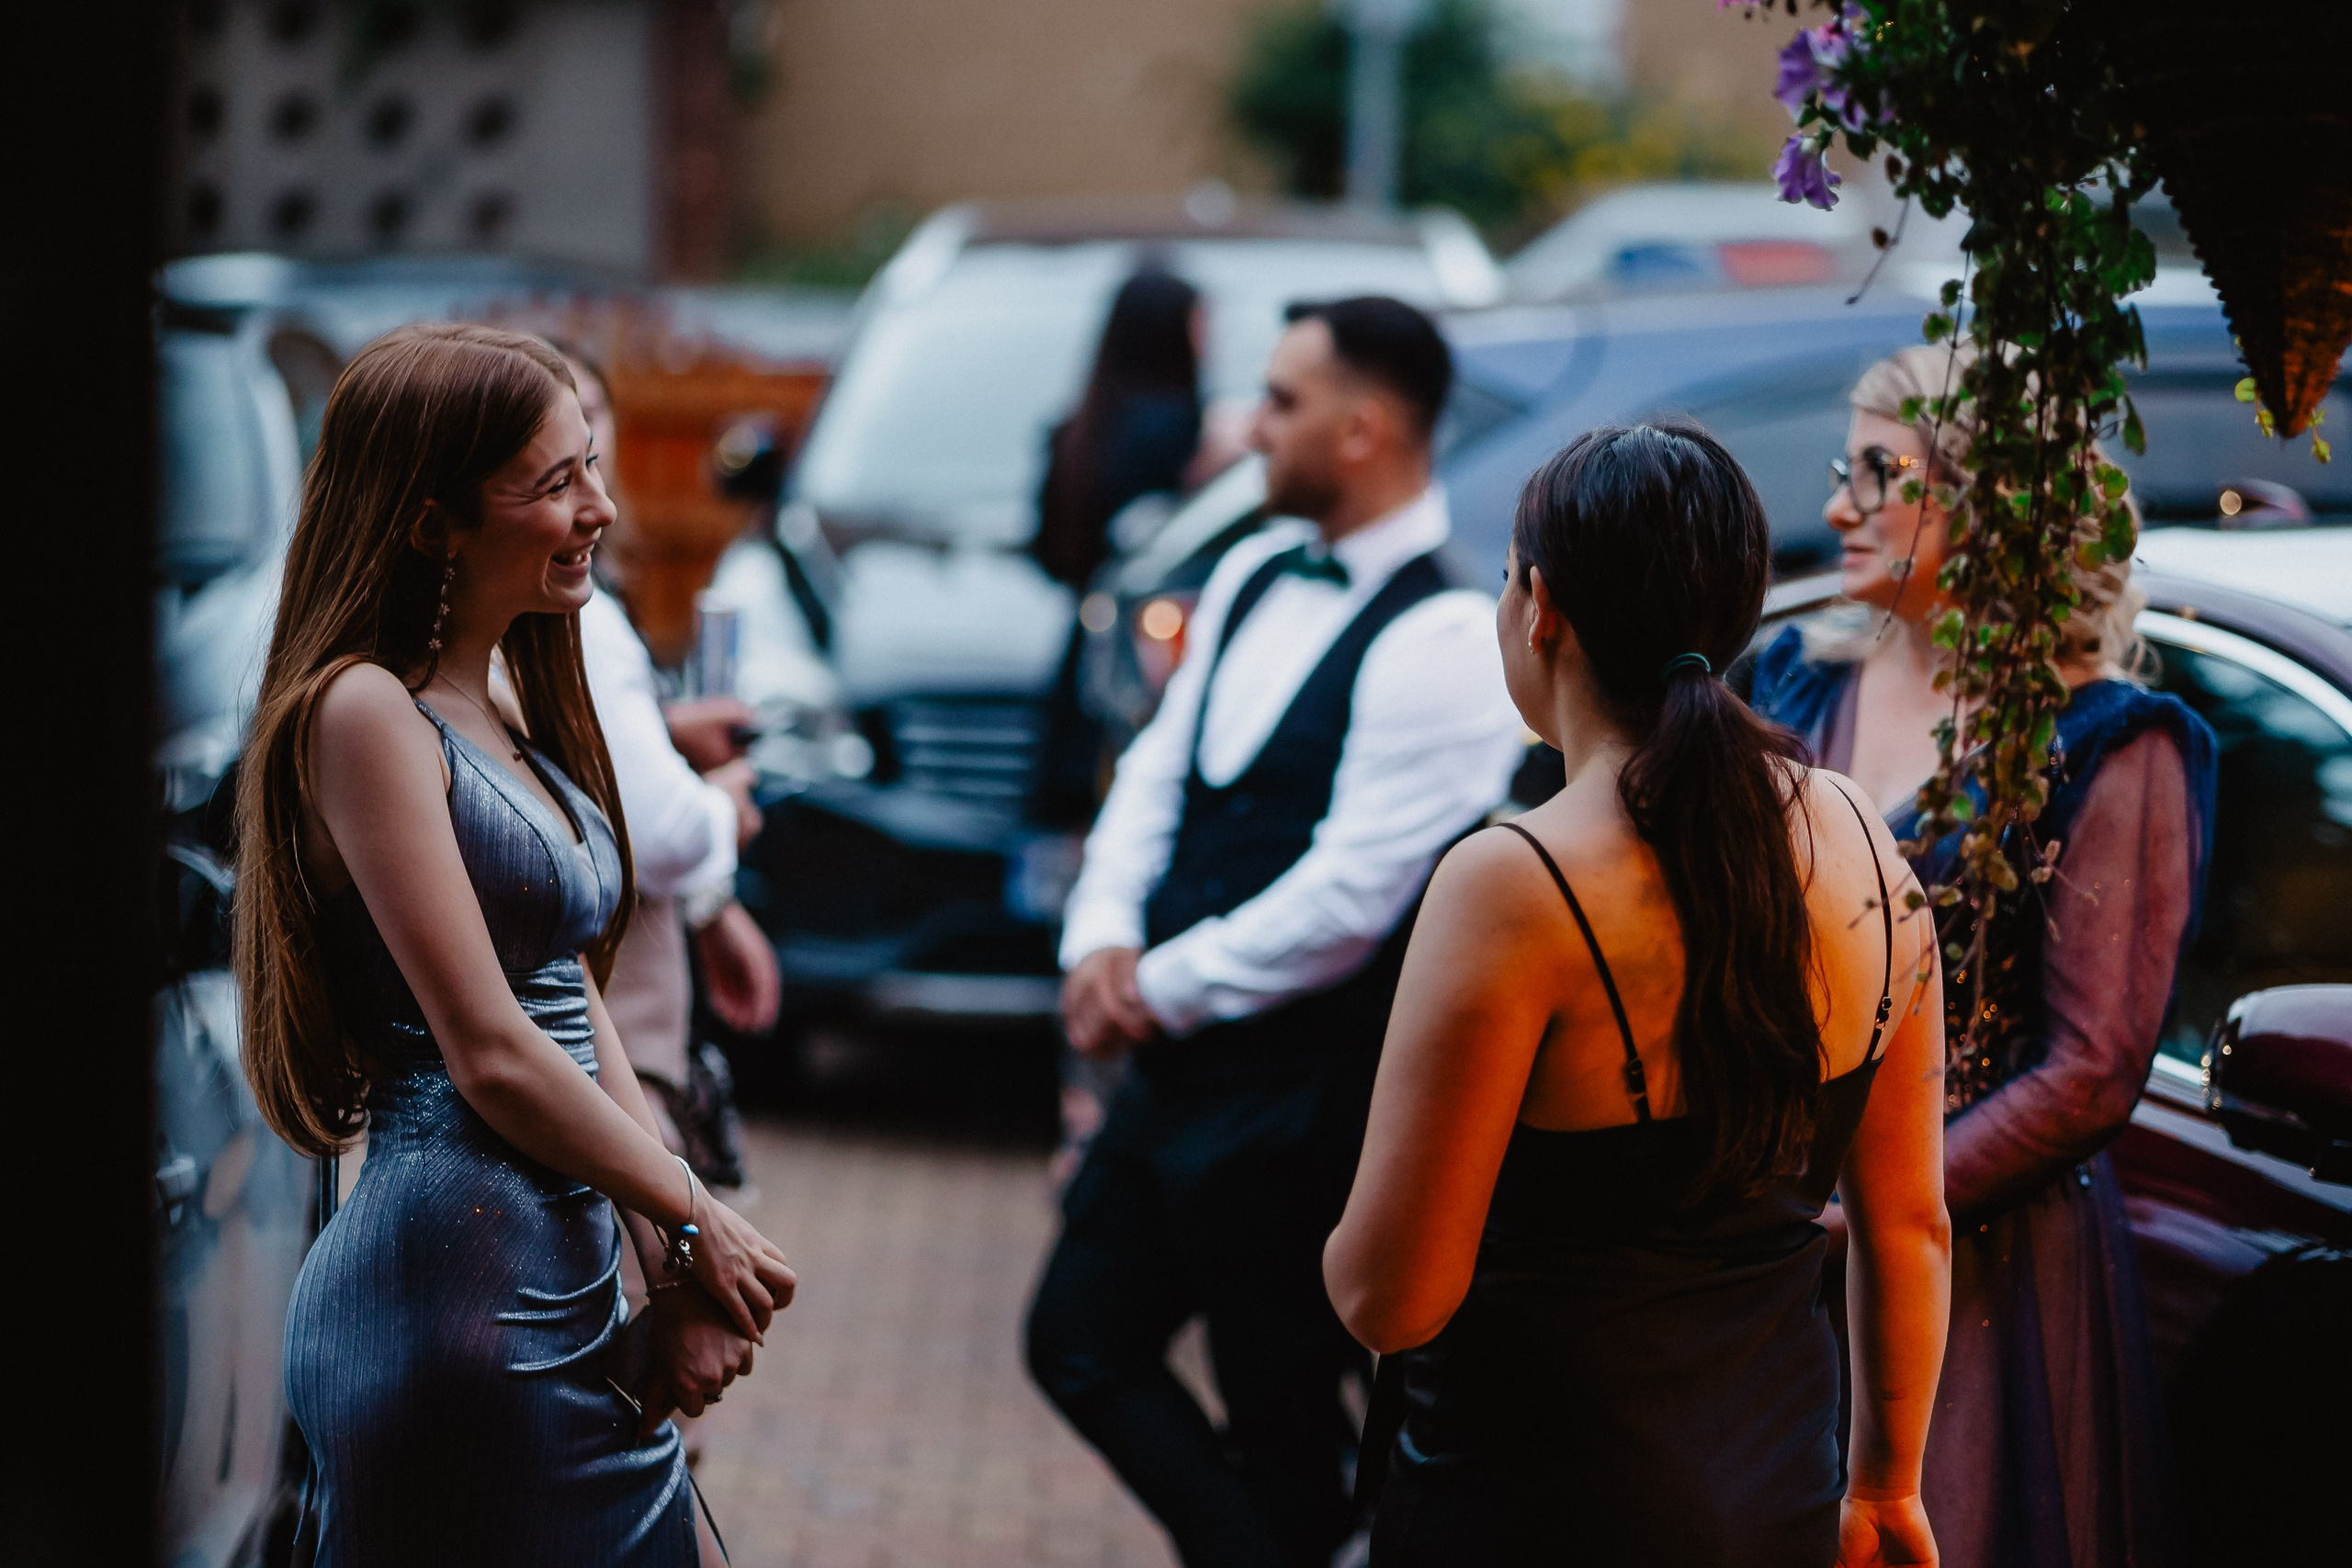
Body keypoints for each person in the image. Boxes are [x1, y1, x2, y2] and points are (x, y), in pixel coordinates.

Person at [1323, 421, 1953, 1568]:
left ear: (1540, 606)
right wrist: (1885, 1485)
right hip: (1777, 1495)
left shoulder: (1513, 883)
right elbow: (1910, 1222)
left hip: (1535, 1506)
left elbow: (1391, 1301)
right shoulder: (1860, 836)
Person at [235, 323, 797, 1564]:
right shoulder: (363, 710)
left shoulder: (500, 699)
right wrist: (700, 1214)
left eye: (589, 468)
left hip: (569, 1271)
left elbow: (571, 995)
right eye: (556, 482)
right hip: (449, 1297)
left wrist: (664, 1260)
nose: (599, 507)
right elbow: (488, 1048)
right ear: (433, 520)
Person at [1026, 297, 1527, 1568]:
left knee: (1287, 1423)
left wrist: (1156, 984)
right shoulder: (1251, 568)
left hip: (1300, 1100)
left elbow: (1351, 895)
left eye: (1283, 400)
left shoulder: (1443, 635)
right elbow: (1156, 774)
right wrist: (1098, 935)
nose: (1253, 427)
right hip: (1174, 1071)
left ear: (1363, 429)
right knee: (1076, 1336)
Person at [1747, 344, 2218, 1568]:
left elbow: (2096, 1067)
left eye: (1878, 471)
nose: (1841, 505)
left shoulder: (2108, 742)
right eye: (1842, 470)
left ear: (1993, 499)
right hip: (1755, 1231)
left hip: (1976, 1264)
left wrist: (1870, 1209)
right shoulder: (1793, 682)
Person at [560, 345, 776, 1187]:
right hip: (615, 1045)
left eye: (593, 414)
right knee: (646, 1291)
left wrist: (664, 730)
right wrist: (722, 807)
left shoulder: (580, 591)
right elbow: (659, 831)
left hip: (612, 1040)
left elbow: (586, 754)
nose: (582, 441)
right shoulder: (578, 613)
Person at [1030, 267, 1213, 829]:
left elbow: (1046, 550)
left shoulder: (1076, 431)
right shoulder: (1179, 430)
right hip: (1147, 654)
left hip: (1079, 646)